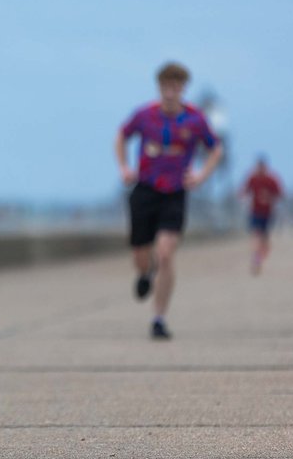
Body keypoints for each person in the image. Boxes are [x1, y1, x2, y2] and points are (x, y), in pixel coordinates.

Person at [114, 62, 224, 340]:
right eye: (166, 87)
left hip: (175, 192)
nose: (171, 93)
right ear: (159, 88)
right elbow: (121, 136)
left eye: (176, 87)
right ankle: (144, 272)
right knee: (141, 255)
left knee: (166, 252)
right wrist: (124, 167)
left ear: (183, 89)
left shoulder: (195, 120)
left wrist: (201, 175)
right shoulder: (145, 116)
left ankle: (159, 318)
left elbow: (215, 149)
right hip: (145, 190)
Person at [241, 157, 283, 275]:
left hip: (268, 213)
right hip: (255, 212)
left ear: (265, 168)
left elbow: (280, 195)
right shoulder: (252, 178)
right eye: (258, 168)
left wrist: (269, 197)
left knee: (264, 239)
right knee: (256, 235)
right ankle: (256, 259)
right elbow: (244, 192)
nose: (260, 170)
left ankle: (261, 254)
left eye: (262, 168)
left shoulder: (272, 180)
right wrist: (244, 199)